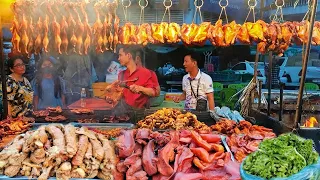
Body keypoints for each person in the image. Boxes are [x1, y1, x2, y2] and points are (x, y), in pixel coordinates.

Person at [114, 46, 157, 111]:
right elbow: (120, 94)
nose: (118, 58)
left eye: (120, 55)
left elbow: (153, 92)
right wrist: (114, 98)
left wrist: (140, 88)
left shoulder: (145, 72)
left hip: (140, 113)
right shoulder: (121, 74)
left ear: (128, 55)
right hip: (124, 113)